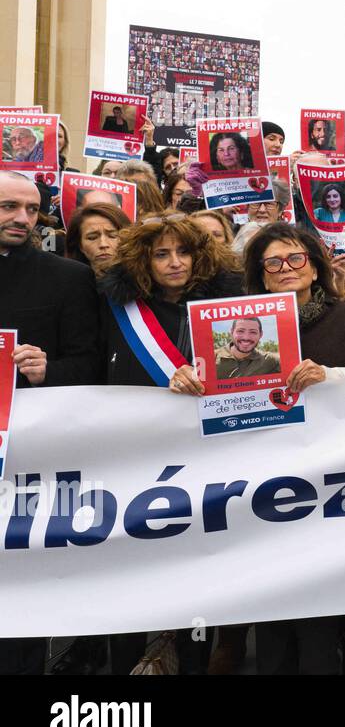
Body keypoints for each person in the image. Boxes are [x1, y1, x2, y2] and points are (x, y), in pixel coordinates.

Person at [93, 211, 243, 675]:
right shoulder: (116, 308)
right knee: (129, 581)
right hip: (132, 467)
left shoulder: (232, 307)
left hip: (203, 469)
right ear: (143, 259)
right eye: (162, 254)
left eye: (184, 252)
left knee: (196, 586)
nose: (175, 262)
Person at [239, 223, 345, 674]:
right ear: (262, 276)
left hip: (328, 479)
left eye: (296, 258)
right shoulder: (237, 323)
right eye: (273, 263)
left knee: (319, 618)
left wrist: (332, 377)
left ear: (314, 266)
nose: (286, 268)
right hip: (262, 479)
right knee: (271, 611)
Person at [0, 171, 101, 675]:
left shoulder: (68, 278)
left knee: (19, 607)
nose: (22, 219)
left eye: (32, 209)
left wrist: (47, 372)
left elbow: (89, 366)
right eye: (8, 207)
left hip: (26, 469)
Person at [65, 203, 131, 276]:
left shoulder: (142, 283)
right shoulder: (65, 282)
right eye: (92, 238)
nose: (103, 244)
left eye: (112, 236)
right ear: (80, 245)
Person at [215, 317, 282, 379]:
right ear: (232, 332)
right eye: (240, 331)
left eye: (253, 332)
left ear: (261, 334)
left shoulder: (271, 361)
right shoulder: (212, 358)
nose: (246, 337)